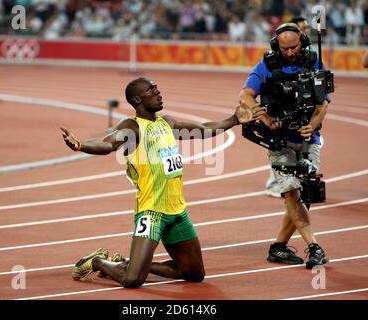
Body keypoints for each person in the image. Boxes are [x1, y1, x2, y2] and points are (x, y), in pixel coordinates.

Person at [61, 77, 265, 288]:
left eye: (157, 88)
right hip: (151, 211)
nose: (158, 92)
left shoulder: (167, 123)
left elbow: (203, 128)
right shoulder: (132, 127)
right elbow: (107, 144)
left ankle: (130, 264)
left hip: (177, 211)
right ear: (138, 99)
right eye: (151, 90)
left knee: (193, 273)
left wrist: (234, 119)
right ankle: (97, 261)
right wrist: (80, 145)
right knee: (132, 280)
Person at [239, 23, 330, 269]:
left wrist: (312, 125)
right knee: (291, 192)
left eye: (294, 47)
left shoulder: (314, 61)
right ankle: (314, 247)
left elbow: (323, 104)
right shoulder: (267, 65)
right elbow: (245, 95)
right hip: (279, 139)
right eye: (284, 48)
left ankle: (278, 247)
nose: (289, 52)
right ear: (275, 46)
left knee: (307, 193)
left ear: (303, 43)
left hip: (310, 138)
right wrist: (264, 118)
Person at [265, 17, 312, 198]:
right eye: (303, 28)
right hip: (283, 114)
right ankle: (273, 183)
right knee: (282, 149)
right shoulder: (275, 60)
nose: (306, 31)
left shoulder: (310, 55)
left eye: (307, 28)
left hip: (303, 116)